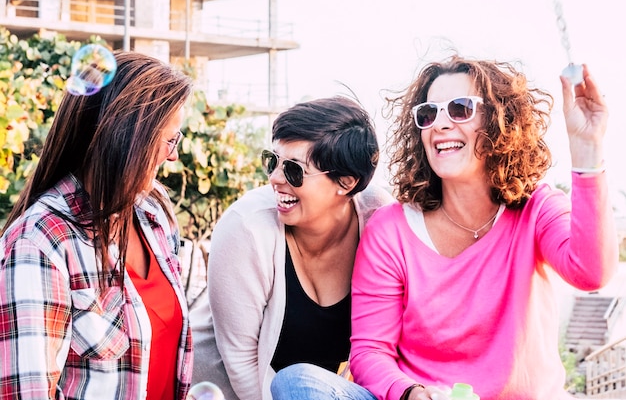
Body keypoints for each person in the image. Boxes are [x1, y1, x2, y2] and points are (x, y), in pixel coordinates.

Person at [270, 55, 618, 400]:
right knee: (297, 381)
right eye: (428, 114)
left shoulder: (537, 208)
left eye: (460, 109)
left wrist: (587, 150)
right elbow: (369, 352)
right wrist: (411, 392)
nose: (440, 123)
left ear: (500, 121)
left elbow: (591, 272)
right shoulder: (390, 231)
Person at [0, 51, 194, 399]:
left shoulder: (153, 214)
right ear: (128, 137)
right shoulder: (40, 243)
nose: (173, 155)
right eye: (170, 140)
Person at [189, 96, 394, 400]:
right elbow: (243, 361)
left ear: (346, 183)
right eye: (272, 161)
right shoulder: (246, 227)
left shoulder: (379, 219)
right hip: (227, 388)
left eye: (294, 170)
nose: (274, 178)